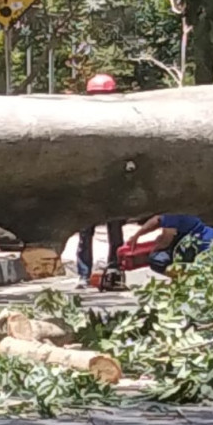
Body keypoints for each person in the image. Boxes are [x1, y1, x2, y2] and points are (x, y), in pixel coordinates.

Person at [75, 73, 126, 289]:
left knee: (115, 229)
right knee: (86, 231)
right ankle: (83, 275)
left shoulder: (121, 120)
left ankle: (114, 269)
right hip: (89, 182)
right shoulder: (82, 119)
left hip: (113, 181)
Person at [126, 214, 213, 274]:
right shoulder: (173, 212)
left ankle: (182, 277)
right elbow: (157, 220)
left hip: (201, 246)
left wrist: (153, 249)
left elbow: (166, 240)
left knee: (157, 260)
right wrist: (136, 236)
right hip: (207, 238)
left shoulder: (173, 214)